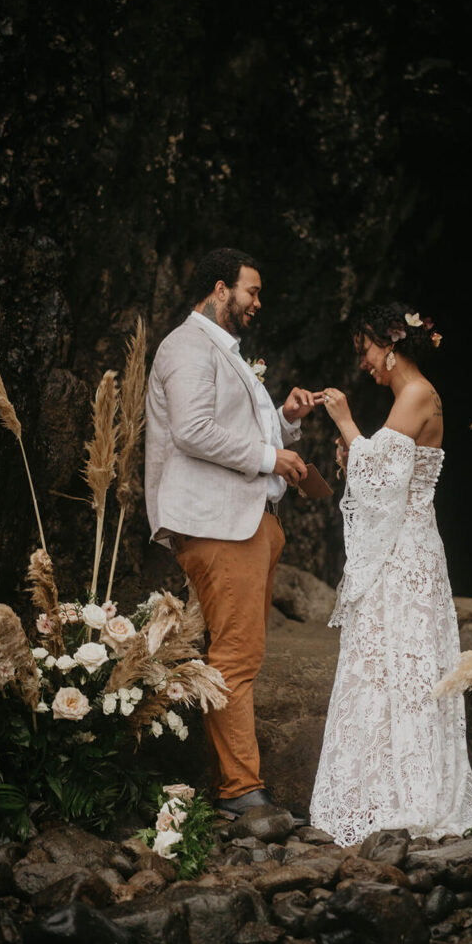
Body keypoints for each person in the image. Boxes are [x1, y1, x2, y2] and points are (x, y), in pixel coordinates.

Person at [145, 247, 323, 819]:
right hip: (217, 524)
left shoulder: (224, 352)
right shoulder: (187, 346)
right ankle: (241, 793)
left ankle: (236, 786)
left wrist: (286, 422)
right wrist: (272, 456)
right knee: (236, 657)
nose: (257, 302)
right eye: (251, 291)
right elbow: (194, 431)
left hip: (247, 525)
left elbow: (237, 430)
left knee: (238, 653)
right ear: (220, 289)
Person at [310, 303, 472, 846]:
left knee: (404, 663)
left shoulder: (416, 395)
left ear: (390, 342)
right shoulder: (407, 399)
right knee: (381, 663)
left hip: (406, 554)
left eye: (364, 351)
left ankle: (411, 791)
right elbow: (381, 475)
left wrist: (343, 420)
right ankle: (375, 789)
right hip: (403, 549)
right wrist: (354, 456)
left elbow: (381, 482)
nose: (363, 364)